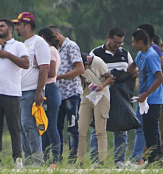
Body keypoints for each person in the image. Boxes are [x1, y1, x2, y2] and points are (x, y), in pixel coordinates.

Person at [90, 27, 134, 166]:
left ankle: (119, 160)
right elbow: (87, 74)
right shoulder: (96, 53)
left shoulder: (125, 54)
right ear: (108, 38)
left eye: (120, 43)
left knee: (121, 128)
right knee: (98, 126)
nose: (118, 45)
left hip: (120, 96)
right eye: (115, 42)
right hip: (101, 95)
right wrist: (105, 80)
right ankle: (96, 160)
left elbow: (131, 71)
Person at [0, 18, 29, 168]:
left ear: (10, 29)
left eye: (2, 26)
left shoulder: (18, 45)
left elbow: (26, 64)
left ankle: (18, 159)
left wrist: (8, 55)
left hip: (11, 92)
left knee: (14, 127)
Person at [14, 12, 49, 165]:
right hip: (20, 90)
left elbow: (44, 68)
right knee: (22, 126)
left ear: (27, 26)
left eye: (19, 24)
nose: (16, 28)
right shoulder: (22, 44)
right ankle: (29, 160)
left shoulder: (38, 43)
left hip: (32, 90)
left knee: (29, 125)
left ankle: (37, 160)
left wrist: (39, 91)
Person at [128, 29, 163, 164]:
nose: (132, 45)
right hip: (144, 98)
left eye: (134, 42)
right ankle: (157, 158)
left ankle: (153, 159)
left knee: (150, 130)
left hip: (152, 99)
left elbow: (159, 78)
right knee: (148, 129)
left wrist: (145, 95)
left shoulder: (151, 56)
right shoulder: (141, 55)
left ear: (141, 42)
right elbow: (133, 66)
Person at [50, 26, 84, 163]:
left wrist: (59, 76)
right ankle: (56, 158)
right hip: (59, 94)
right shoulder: (56, 50)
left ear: (57, 35)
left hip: (71, 93)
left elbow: (80, 68)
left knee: (71, 127)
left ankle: (72, 159)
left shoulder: (71, 46)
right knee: (56, 126)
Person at [77, 53, 114, 165]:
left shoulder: (98, 62)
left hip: (101, 95)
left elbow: (109, 77)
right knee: (80, 130)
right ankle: (80, 160)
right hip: (87, 94)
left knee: (100, 130)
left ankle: (101, 160)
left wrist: (102, 85)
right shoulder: (78, 65)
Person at [38, 27, 62, 166]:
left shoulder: (51, 50)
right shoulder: (48, 50)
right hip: (46, 89)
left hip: (50, 89)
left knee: (51, 125)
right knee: (44, 126)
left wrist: (38, 74)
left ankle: (55, 159)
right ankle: (45, 158)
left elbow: (52, 72)